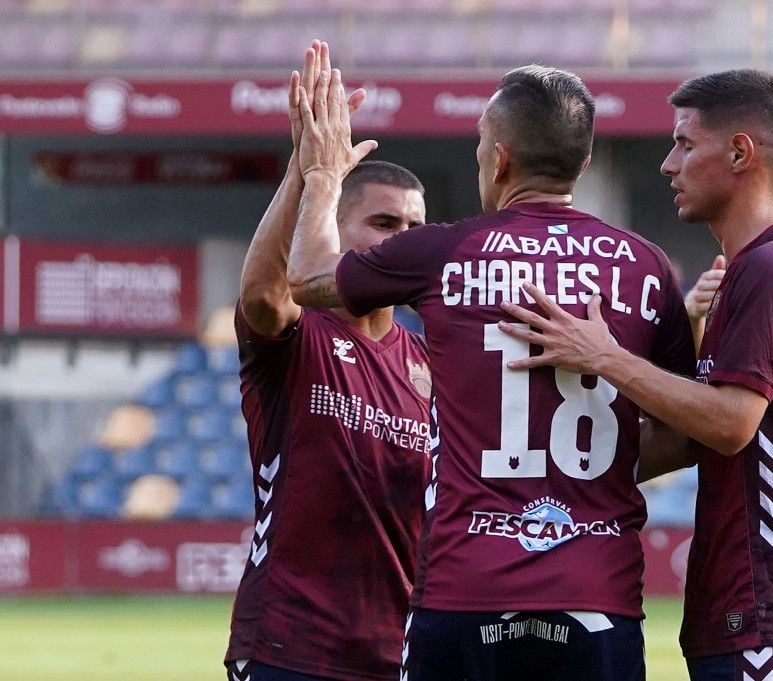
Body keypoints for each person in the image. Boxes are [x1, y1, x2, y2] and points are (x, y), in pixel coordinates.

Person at [286, 56, 694, 681]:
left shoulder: (446, 251)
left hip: (465, 594)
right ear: (582, 165)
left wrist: (320, 176)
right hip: (597, 598)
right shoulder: (647, 267)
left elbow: (306, 279)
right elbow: (683, 433)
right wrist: (596, 471)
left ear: (498, 158)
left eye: (480, 145)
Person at [497, 69, 773, 681]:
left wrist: (604, 355)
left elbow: (729, 423)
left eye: (686, 144)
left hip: (768, 610)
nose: (668, 164)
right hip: (767, 610)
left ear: (741, 152)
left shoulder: (771, 269)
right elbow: (699, 433)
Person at [225, 41, 432, 681]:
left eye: (415, 227)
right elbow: (262, 296)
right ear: (337, 230)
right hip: (291, 648)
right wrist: (308, 174)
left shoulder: (433, 363)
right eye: (384, 224)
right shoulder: (300, 335)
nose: (405, 241)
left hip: (402, 653)